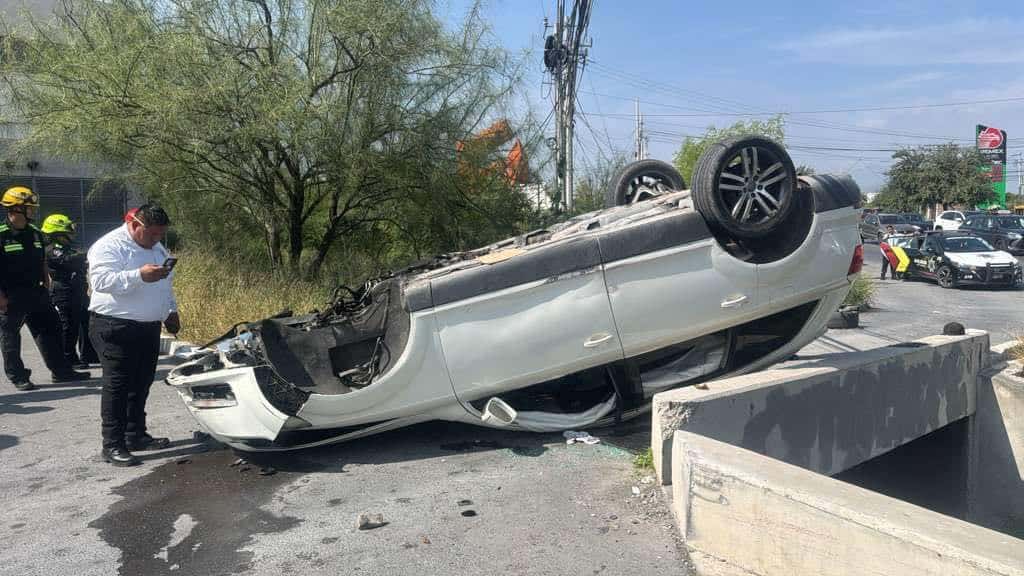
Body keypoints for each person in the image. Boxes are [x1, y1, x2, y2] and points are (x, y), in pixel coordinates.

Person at [88, 204, 181, 466]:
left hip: (148, 326)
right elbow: (101, 282)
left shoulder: (157, 248)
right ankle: (112, 444)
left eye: (160, 235)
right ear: (135, 224)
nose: (156, 240)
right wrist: (139, 276)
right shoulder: (109, 245)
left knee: (141, 383)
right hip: (115, 326)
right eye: (151, 234)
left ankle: (135, 435)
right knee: (118, 387)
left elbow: (165, 282)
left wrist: (170, 310)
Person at [0, 187, 90, 391]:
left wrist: (46, 283)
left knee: (51, 329)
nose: (33, 211)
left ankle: (61, 372)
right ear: (15, 208)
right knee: (10, 336)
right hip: (11, 295)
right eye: (29, 207)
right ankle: (18, 376)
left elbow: (42, 260)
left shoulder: (36, 234)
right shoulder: (2, 235)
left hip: (38, 292)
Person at [42, 214, 97, 369]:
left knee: (86, 321)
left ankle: (88, 354)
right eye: (68, 230)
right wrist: (85, 255)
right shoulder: (52, 250)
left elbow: (78, 262)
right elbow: (67, 260)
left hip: (78, 289)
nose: (72, 233)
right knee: (69, 325)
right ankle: (69, 357)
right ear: (58, 233)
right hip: (64, 291)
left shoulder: (69, 249)